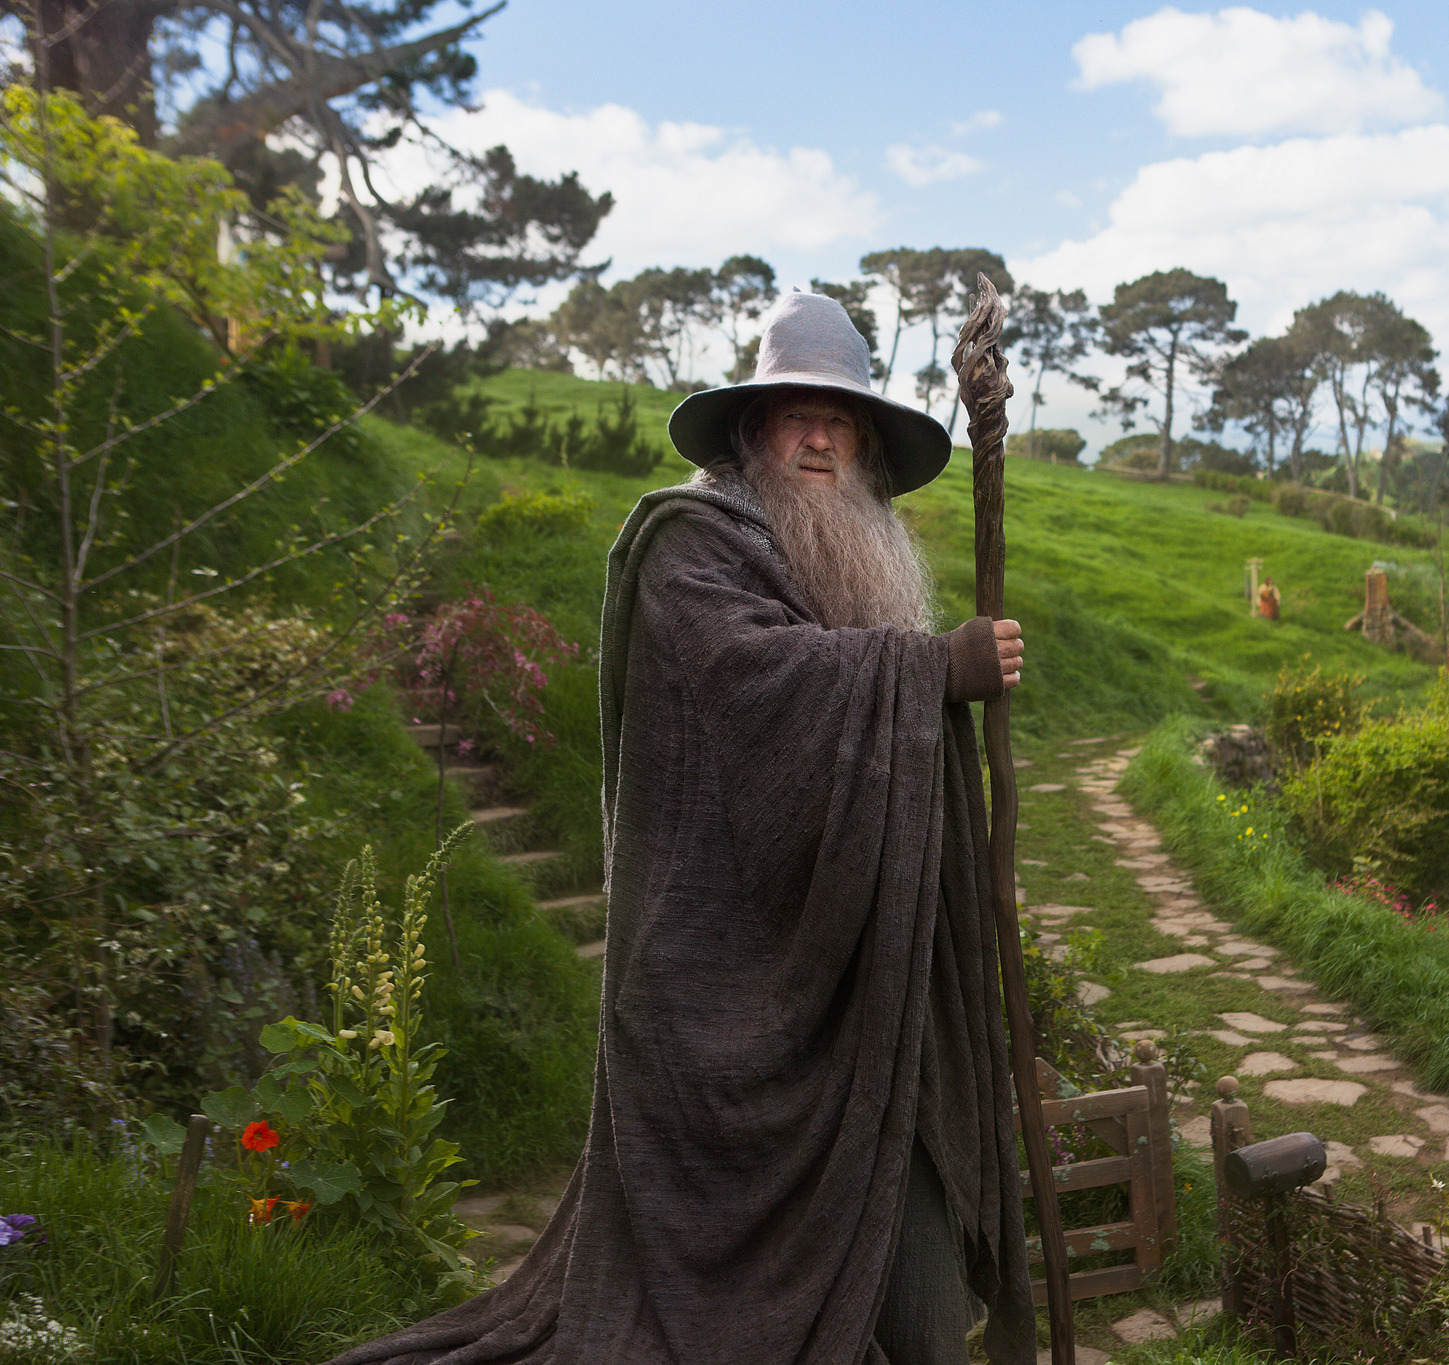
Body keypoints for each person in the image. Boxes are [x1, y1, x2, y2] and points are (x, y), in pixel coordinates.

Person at [323, 292, 1036, 1365]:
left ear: (865, 444)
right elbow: (751, 682)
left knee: (925, 1313)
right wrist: (934, 668)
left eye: (838, 420)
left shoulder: (861, 560)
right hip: (716, 982)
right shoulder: (687, 545)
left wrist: (930, 682)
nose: (815, 438)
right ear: (751, 428)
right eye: (794, 413)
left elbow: (862, 750)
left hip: (864, 985)